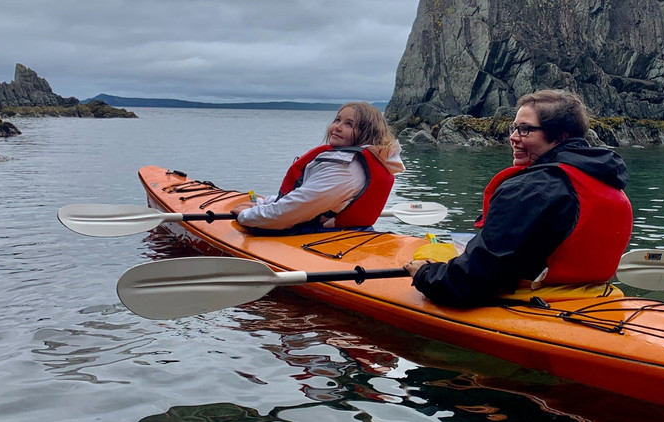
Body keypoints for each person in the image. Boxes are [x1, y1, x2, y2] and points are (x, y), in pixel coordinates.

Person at [405, 90, 633, 306]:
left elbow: (474, 279)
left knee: (428, 257)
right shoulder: (603, 177)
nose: (513, 138)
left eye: (525, 129)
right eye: (513, 128)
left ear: (560, 137)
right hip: (595, 295)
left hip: (538, 300)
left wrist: (426, 275)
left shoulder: (532, 187)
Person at [231, 102, 404, 232]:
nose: (337, 127)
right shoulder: (353, 161)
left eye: (349, 124)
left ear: (366, 133)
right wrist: (263, 203)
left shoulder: (345, 170)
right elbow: (303, 197)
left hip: (323, 235)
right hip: (340, 231)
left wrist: (245, 216)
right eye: (338, 120)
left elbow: (293, 210)